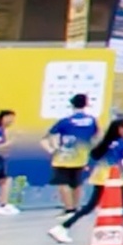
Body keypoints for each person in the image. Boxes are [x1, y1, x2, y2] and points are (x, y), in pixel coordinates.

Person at [51, 109, 123, 242]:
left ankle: (120, 227)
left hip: (105, 177)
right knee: (94, 206)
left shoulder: (111, 142)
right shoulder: (120, 144)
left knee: (120, 202)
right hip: (109, 179)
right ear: (121, 129)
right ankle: (62, 227)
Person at [44, 93, 98, 221]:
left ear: (72, 104)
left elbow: (50, 135)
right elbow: (96, 136)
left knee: (63, 183)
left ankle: (69, 209)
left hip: (64, 157)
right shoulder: (92, 121)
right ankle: (76, 207)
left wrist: (52, 149)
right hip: (82, 156)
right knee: (77, 183)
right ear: (86, 104)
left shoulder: (66, 121)